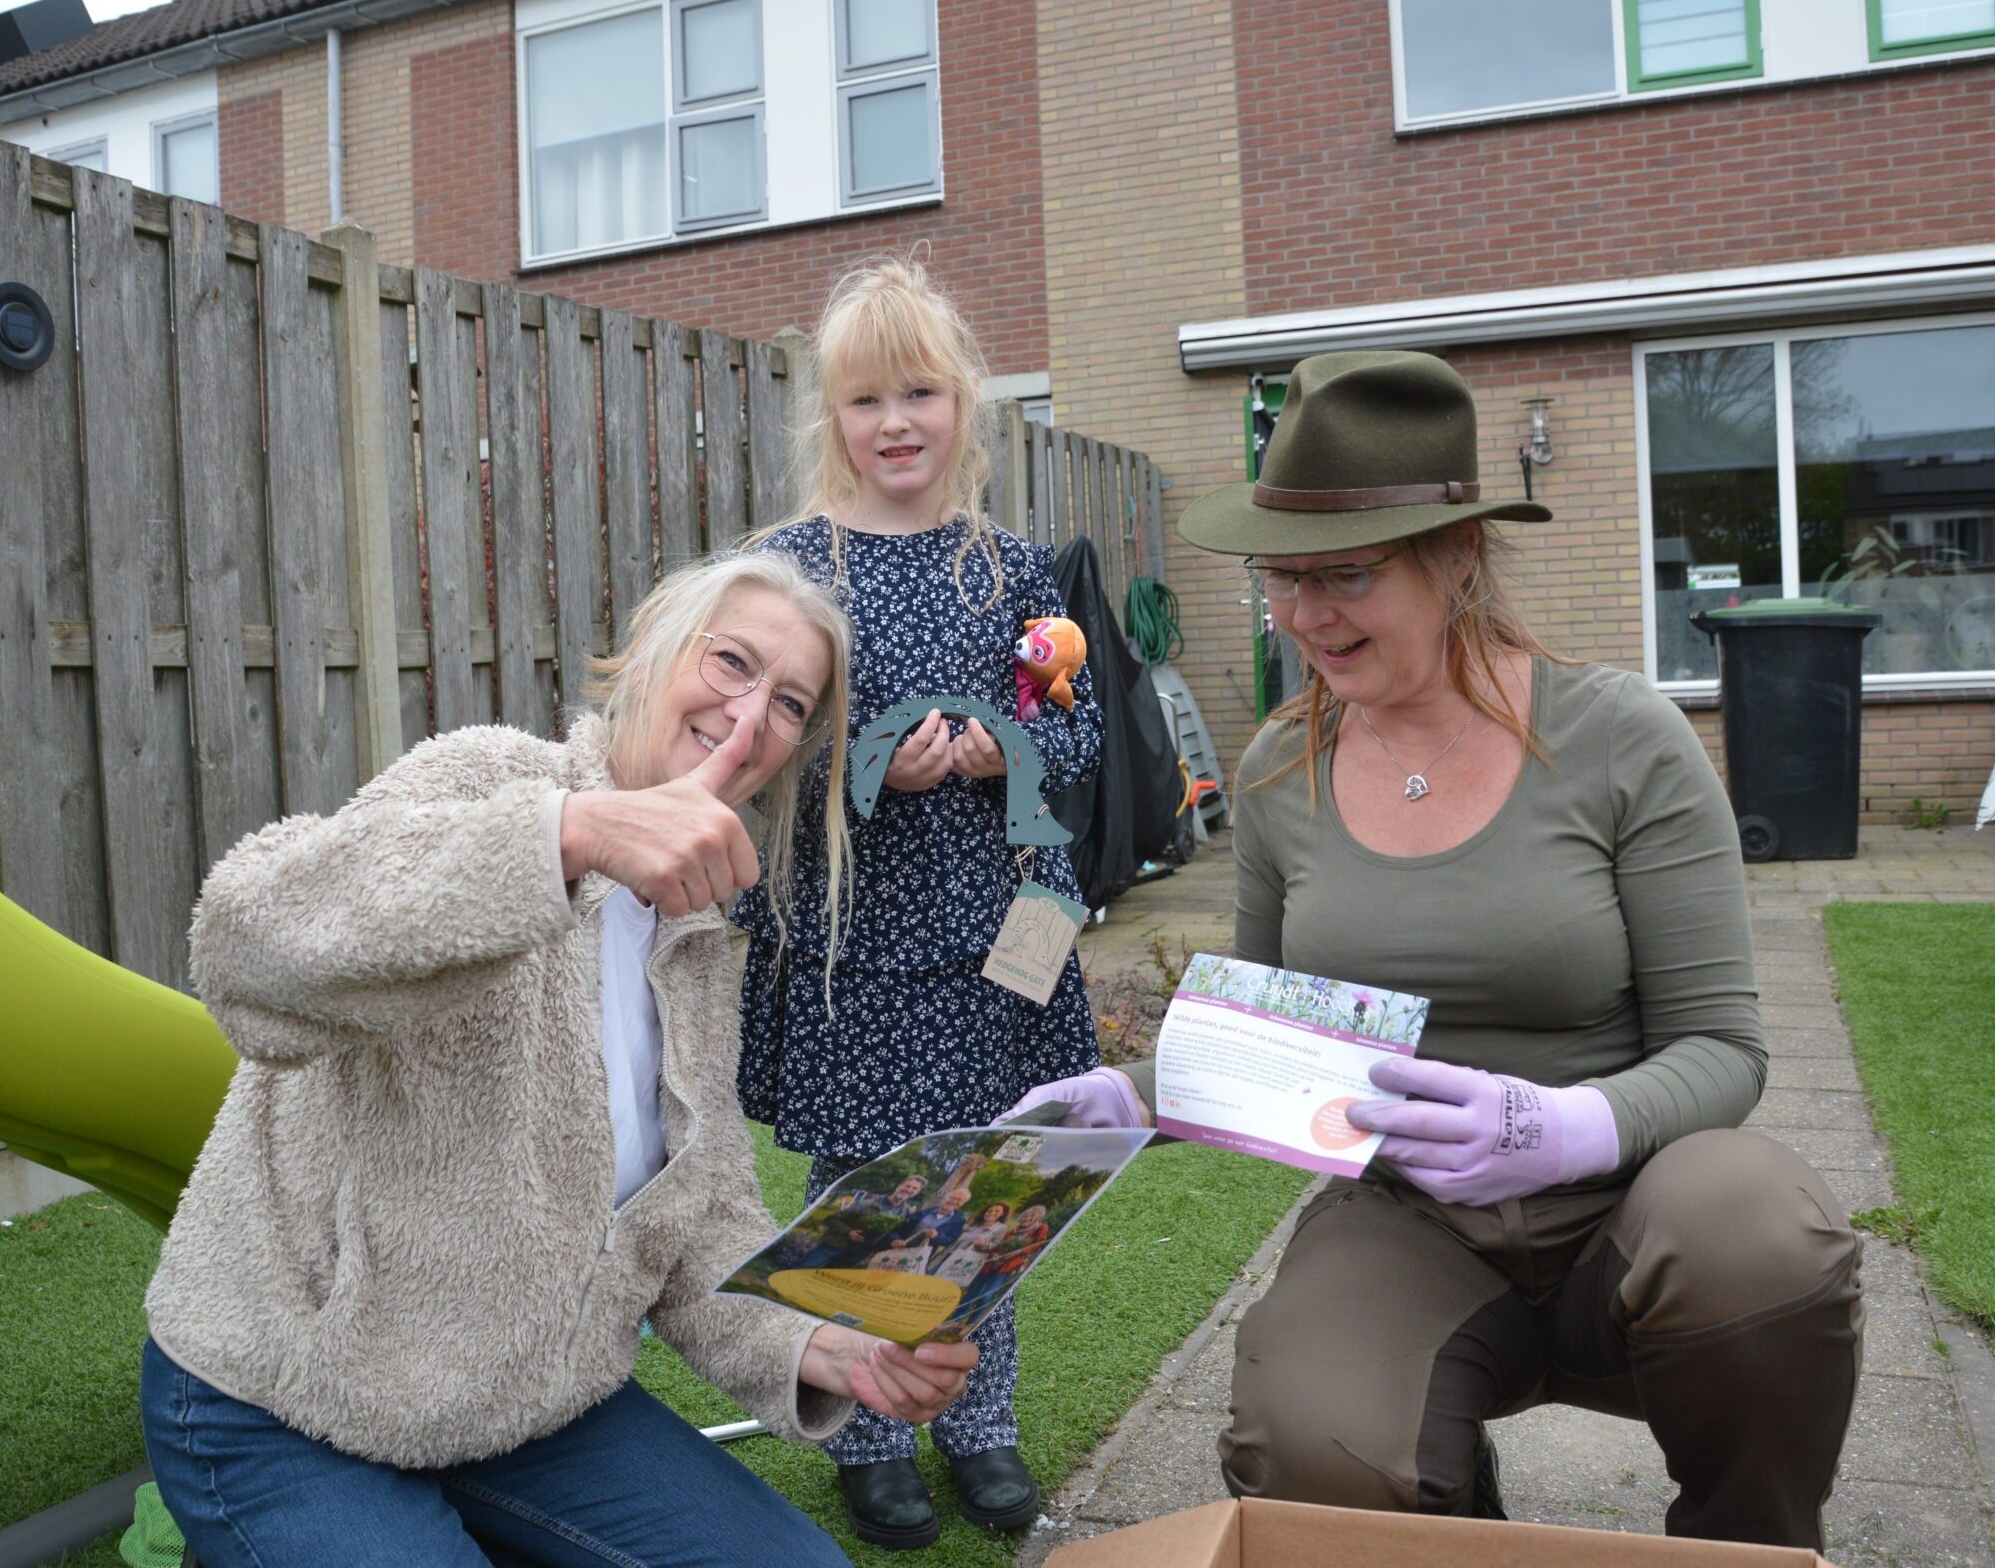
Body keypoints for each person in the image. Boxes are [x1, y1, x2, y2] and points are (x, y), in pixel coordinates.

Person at [1007, 351, 1863, 1550]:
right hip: (1410, 1218)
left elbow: (1722, 1047)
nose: (1304, 618)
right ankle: (1444, 1515)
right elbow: (1272, 1042)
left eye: (1344, 576)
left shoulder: (1620, 741)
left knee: (1760, 1231)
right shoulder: (1278, 766)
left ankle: (1745, 1545)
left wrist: (1563, 1129)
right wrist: (1124, 1098)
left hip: (1634, 1200)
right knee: (1313, 1435)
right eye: (1280, 579)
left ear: (1456, 555)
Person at [140, 552, 979, 1568]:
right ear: (648, 658)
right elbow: (246, 942)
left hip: (520, 1408)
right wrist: (571, 838)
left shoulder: (697, 933)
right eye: (730, 663)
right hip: (287, 1398)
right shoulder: (495, 782)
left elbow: (699, 1210)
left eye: (791, 701)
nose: (750, 716)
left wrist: (818, 1343)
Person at [733, 256, 1103, 1549]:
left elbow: (1082, 722)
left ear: (966, 409)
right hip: (857, 940)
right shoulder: (789, 570)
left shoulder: (1008, 570)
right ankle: (873, 1435)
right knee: (866, 1189)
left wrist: (1003, 744)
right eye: (864, 400)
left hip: (1004, 936)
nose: (895, 421)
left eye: (922, 394)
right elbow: (755, 735)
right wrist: (881, 752)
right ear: (827, 421)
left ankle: (979, 1422)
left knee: (989, 1186)